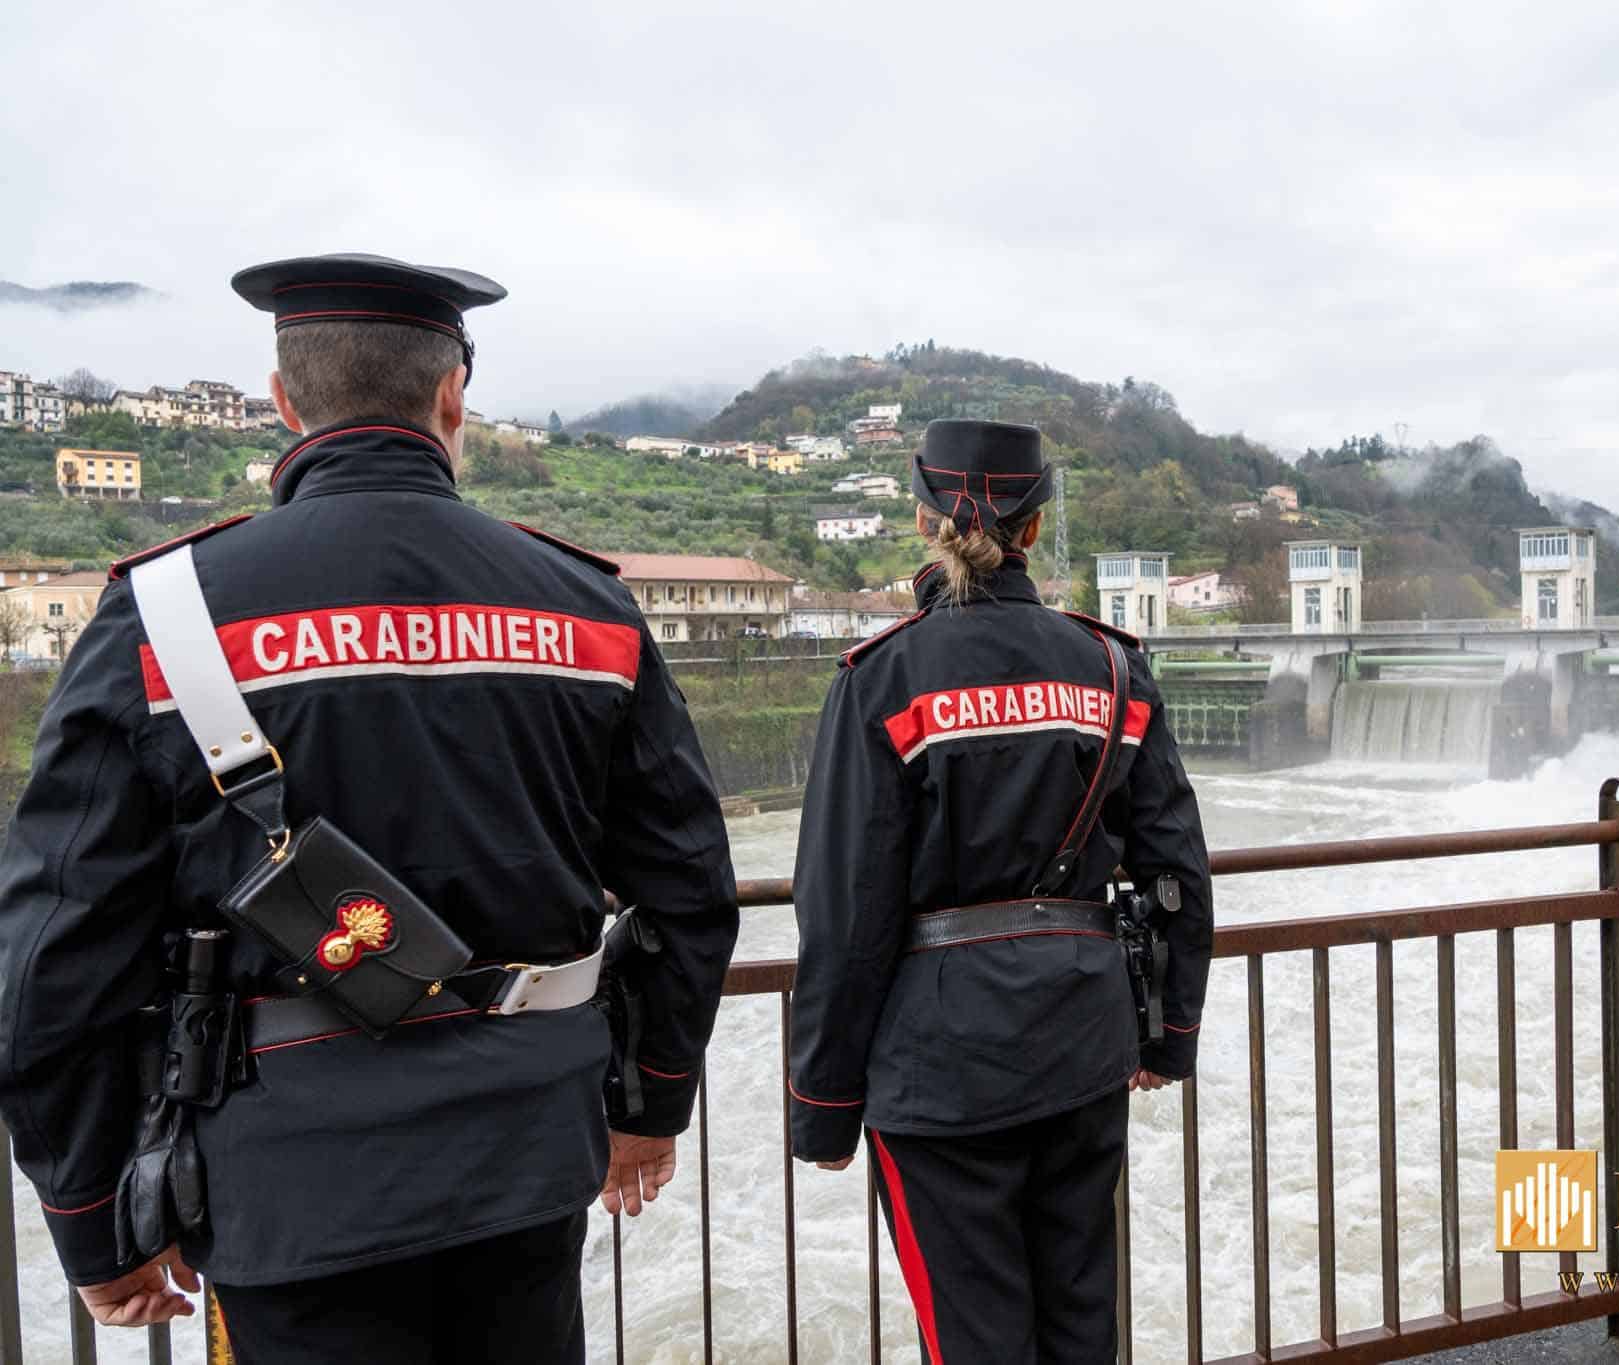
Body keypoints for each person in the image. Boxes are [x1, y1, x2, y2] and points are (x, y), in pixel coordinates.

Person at [0, 254, 739, 1362]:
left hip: (283, 1180)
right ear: (452, 395)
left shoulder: (162, 618)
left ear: (283, 399)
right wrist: (651, 1101)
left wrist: (92, 1217)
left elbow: (53, 954)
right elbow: (690, 890)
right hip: (525, 1158)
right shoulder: (586, 609)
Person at [787, 418, 1213, 1362]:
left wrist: (823, 1101)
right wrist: (1167, 1035)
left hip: (939, 1068)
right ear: (1037, 525)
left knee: (974, 1340)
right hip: (1084, 1041)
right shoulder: (1113, 667)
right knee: (1081, 1324)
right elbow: (1178, 870)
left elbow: (846, 913)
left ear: (922, 519)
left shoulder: (883, 679)